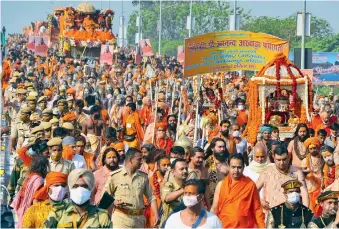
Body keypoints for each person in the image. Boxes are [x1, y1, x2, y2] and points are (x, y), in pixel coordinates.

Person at [103, 147, 159, 228]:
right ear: (130, 160)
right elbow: (104, 196)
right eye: (139, 159)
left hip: (139, 219)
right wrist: (114, 202)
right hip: (121, 219)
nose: (142, 162)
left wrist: (156, 215)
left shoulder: (143, 177)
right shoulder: (115, 176)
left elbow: (151, 197)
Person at [44, 168, 112, 228]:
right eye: (75, 186)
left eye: (84, 186)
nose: (80, 190)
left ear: (91, 190)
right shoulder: (58, 212)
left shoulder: (101, 215)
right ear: (70, 189)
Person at [210, 153, 265, 228]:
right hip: (224, 226)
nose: (236, 170)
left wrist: (262, 227)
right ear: (229, 166)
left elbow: (257, 209)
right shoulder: (221, 185)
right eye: (233, 167)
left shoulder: (250, 185)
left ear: (243, 167)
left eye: (239, 167)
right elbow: (214, 208)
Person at [256, 145, 309, 211]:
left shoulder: (297, 172)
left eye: (284, 159)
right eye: (278, 160)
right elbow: (254, 190)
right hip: (271, 212)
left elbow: (304, 193)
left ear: (288, 157)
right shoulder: (267, 172)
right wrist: (261, 201)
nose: (282, 163)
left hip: (292, 213)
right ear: (274, 158)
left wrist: (305, 211)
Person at [11, 155, 49, 228]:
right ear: (43, 167)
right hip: (29, 210)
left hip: (21, 208)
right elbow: (36, 199)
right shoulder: (39, 180)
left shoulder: (29, 176)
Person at [160, 158, 188, 226]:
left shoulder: (191, 185)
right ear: (173, 171)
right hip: (169, 224)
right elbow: (167, 198)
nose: (185, 171)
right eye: (181, 169)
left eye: (186, 168)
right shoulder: (168, 185)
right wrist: (184, 190)